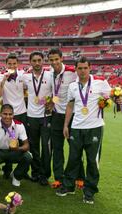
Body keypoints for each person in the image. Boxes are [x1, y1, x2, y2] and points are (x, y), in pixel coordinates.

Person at [56, 57, 122, 204]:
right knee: (73, 158)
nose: (82, 71)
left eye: (85, 68)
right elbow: (70, 106)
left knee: (93, 161)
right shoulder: (73, 86)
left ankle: (89, 191)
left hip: (94, 128)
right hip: (76, 127)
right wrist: (66, 125)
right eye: (79, 68)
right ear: (76, 69)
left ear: (90, 68)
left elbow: (113, 95)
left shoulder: (100, 82)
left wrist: (117, 99)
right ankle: (69, 186)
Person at [47, 48, 85, 188]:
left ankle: (80, 176)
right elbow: (57, 93)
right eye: (51, 60)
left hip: (73, 116)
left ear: (62, 58)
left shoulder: (72, 71)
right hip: (56, 116)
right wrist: (52, 102)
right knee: (57, 149)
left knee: (75, 148)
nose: (54, 62)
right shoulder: (50, 74)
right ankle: (59, 177)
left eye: (56, 59)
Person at [19, 51, 52, 186]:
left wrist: (52, 102)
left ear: (43, 61)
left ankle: (44, 174)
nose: (37, 63)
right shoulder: (26, 77)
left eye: (39, 60)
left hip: (46, 116)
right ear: (30, 62)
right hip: (31, 116)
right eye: (34, 61)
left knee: (46, 147)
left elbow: (58, 94)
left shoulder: (50, 75)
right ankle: (35, 172)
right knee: (33, 147)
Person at [0, 104, 32, 185]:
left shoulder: (19, 125)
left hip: (14, 152)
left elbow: (27, 145)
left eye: (10, 114)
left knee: (28, 157)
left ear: (13, 115)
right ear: (0, 114)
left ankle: (16, 176)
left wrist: (17, 149)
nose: (7, 117)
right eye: (5, 114)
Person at [0, 53, 27, 125]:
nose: (12, 66)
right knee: (9, 135)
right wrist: (3, 81)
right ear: (6, 64)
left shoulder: (22, 76)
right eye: (9, 64)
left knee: (23, 135)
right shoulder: (0, 77)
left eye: (14, 63)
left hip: (22, 112)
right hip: (8, 114)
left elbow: (26, 89)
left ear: (17, 64)